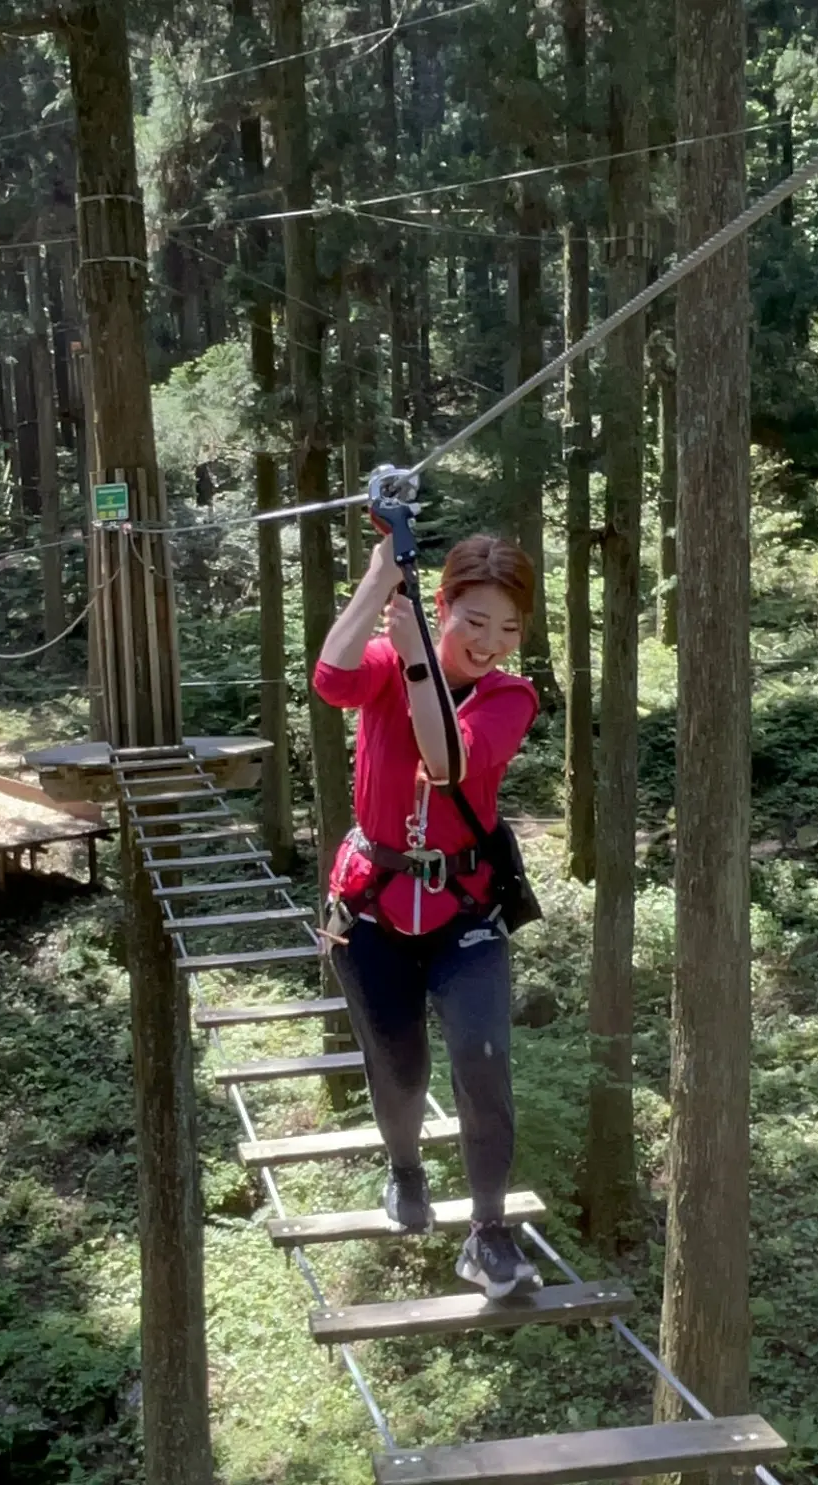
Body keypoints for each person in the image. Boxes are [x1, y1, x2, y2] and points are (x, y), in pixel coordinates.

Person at [312, 532, 542, 1298]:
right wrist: (380, 579)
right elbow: (331, 676)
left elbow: (446, 760)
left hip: (463, 911)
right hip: (374, 911)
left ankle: (487, 1230)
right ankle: (404, 1166)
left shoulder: (511, 696)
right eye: (475, 621)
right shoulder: (385, 664)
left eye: (509, 629)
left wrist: (417, 653)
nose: (491, 643)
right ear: (441, 607)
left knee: (481, 1058)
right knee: (400, 1067)